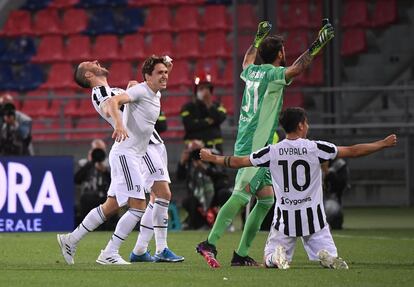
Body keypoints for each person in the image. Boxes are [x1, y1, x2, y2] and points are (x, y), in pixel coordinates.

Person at [196, 20, 335, 268]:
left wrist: (256, 39)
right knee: (240, 195)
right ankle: (210, 242)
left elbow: (246, 61)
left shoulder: (252, 71)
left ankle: (240, 255)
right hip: (254, 142)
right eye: (283, 51)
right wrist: (317, 45)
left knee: (267, 199)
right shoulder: (272, 74)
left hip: (254, 140)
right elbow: (296, 69)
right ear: (280, 54)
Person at [200, 107, 397, 269]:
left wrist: (213, 158)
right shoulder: (316, 148)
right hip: (314, 219)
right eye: (307, 122)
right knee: (330, 254)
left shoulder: (273, 151)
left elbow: (239, 162)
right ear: (301, 125)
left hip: (285, 219)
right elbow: (353, 151)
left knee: (269, 259)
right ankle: (325, 255)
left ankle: (275, 258)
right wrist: (382, 144)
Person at [57, 56, 167, 265]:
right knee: (137, 207)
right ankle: (109, 253)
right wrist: (118, 124)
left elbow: (124, 103)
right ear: (89, 75)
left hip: (131, 151)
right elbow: (110, 107)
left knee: (111, 205)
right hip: (127, 151)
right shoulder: (99, 93)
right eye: (90, 63)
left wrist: (130, 90)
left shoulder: (112, 90)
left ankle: (70, 240)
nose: (96, 60)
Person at [74, 139, 115, 230]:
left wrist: (105, 171)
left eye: (101, 149)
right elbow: (77, 179)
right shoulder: (84, 163)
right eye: (97, 149)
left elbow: (115, 181)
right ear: (91, 150)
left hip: (105, 197)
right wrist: (90, 163)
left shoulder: (110, 163)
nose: (99, 152)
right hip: (87, 198)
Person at [181, 73, 227, 153]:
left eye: (207, 89)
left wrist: (209, 104)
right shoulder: (187, 108)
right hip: (194, 150)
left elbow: (220, 118)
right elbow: (189, 126)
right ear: (196, 91)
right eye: (201, 88)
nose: (204, 92)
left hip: (215, 149)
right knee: (183, 162)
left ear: (210, 91)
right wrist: (208, 121)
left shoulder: (218, 106)